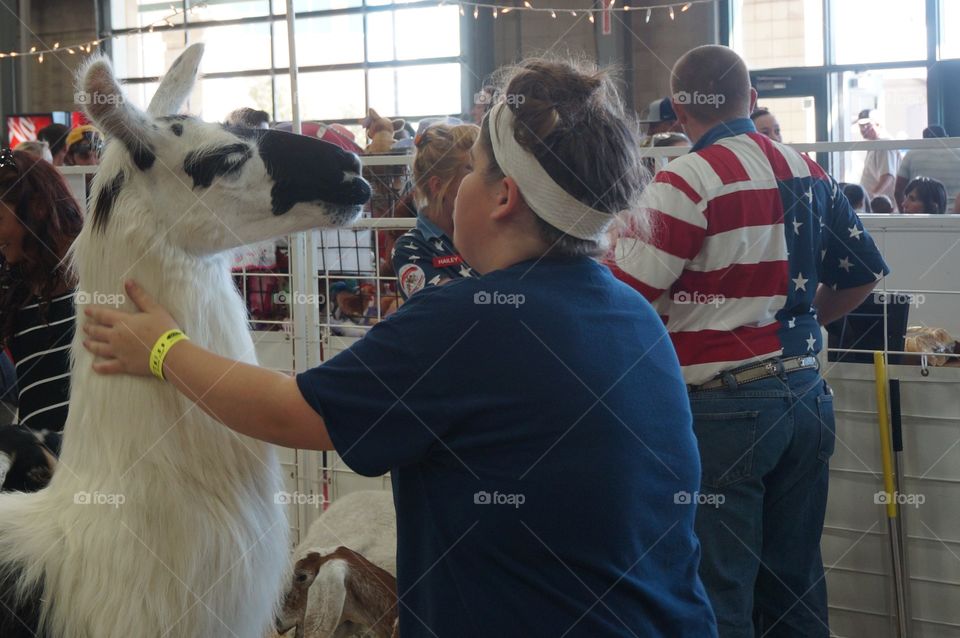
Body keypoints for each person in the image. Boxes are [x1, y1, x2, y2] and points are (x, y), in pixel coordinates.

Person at [82, 58, 718, 637]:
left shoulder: (469, 320)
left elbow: (287, 411)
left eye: (472, 170)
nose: (453, 189)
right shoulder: (632, 314)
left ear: (503, 196)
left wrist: (162, 348)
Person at [614, 45, 889, 637]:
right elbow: (864, 271)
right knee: (795, 582)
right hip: (807, 397)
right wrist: (802, 323)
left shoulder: (684, 182)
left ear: (680, 109)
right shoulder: (808, 170)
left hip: (722, 407)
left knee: (718, 587)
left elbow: (624, 296)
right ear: (753, 100)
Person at [0, 149, 84, 454]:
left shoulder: (98, 272)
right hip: (40, 470)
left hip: (97, 460)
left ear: (35, 208)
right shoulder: (16, 284)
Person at [392, 121, 478, 299]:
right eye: (472, 174)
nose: (486, 185)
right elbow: (446, 306)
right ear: (438, 186)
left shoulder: (488, 233)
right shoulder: (410, 248)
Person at [894, 125, 960, 209]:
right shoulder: (958, 153)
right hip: (956, 214)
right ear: (946, 136)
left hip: (922, 214)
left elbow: (898, 189)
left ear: (923, 139)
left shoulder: (912, 154)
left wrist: (904, 213)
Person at [855, 109, 900, 205]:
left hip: (882, 206)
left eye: (867, 125)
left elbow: (887, 176)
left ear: (878, 124)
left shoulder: (884, 144)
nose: (863, 129)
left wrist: (870, 199)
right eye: (861, 126)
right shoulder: (875, 144)